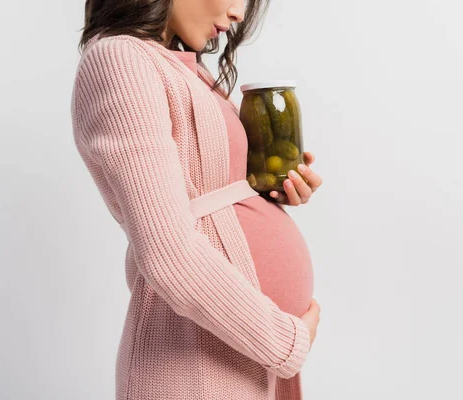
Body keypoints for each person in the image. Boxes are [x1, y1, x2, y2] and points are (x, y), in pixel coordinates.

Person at [71, 0, 323, 399]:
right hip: (192, 364)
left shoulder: (179, 65)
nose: (240, 14)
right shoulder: (120, 58)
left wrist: (265, 192)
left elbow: (203, 192)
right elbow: (166, 252)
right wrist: (284, 341)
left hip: (231, 355)